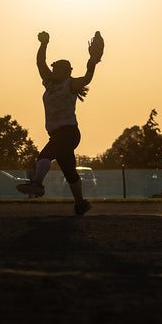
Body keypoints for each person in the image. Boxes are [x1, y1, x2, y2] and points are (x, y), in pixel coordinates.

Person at [17, 30, 103, 215]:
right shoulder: (49, 83)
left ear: (66, 72)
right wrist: (44, 44)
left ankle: (38, 184)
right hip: (57, 134)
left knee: (45, 156)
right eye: (54, 68)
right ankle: (81, 204)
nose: (53, 70)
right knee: (70, 172)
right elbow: (40, 63)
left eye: (57, 69)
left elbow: (87, 77)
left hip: (69, 133)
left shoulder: (70, 84)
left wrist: (93, 62)